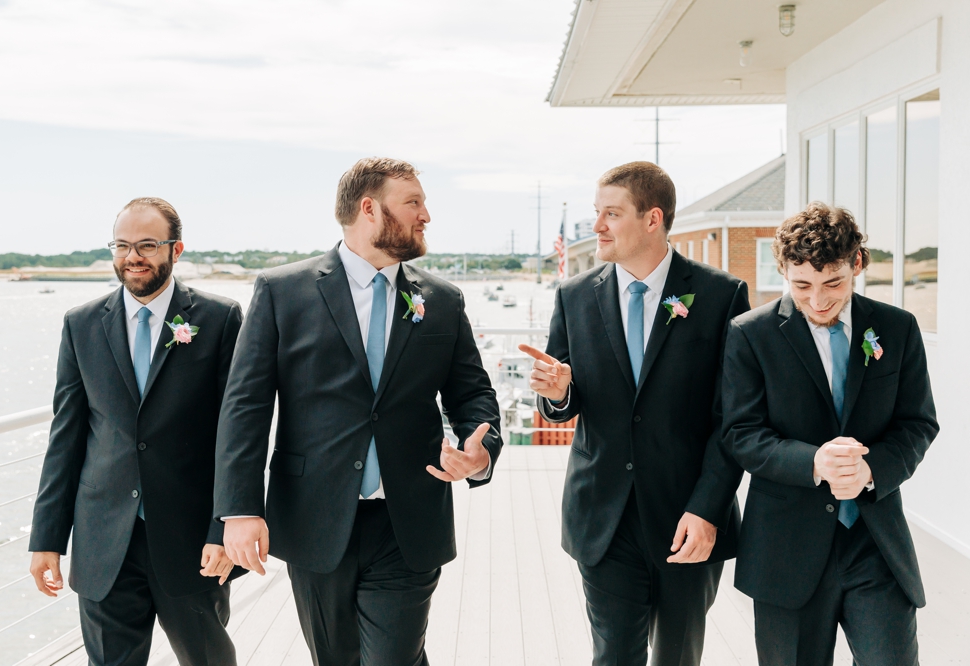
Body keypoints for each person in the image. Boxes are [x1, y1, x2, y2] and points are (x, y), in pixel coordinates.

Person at [214, 157, 502, 666]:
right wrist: (239, 510)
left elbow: (472, 395)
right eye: (413, 202)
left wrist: (480, 452)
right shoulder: (282, 291)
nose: (426, 215)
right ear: (369, 208)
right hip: (313, 518)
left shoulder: (442, 299)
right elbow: (245, 405)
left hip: (409, 517)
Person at [522, 161, 750, 666]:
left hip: (687, 518)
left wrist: (707, 509)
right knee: (614, 656)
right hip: (602, 516)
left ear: (652, 219)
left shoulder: (721, 296)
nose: (597, 226)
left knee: (678, 657)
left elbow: (732, 420)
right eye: (595, 213)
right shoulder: (574, 296)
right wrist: (559, 393)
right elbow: (562, 403)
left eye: (611, 214)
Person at [28, 197, 244, 666]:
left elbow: (238, 435)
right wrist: (46, 538)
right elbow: (65, 437)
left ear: (176, 249)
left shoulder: (221, 318)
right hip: (104, 541)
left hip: (194, 542)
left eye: (147, 244)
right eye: (122, 245)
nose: (133, 257)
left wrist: (223, 527)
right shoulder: (80, 324)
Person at [722, 203, 938, 665]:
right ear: (783, 270)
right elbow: (741, 433)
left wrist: (871, 471)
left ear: (857, 263)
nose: (818, 301)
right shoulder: (749, 335)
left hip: (875, 543)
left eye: (833, 283)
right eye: (802, 286)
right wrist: (814, 462)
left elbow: (918, 422)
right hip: (785, 550)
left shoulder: (897, 328)